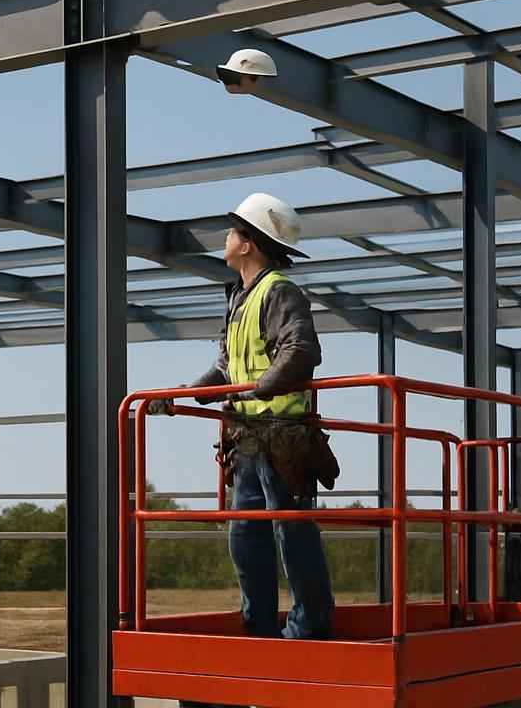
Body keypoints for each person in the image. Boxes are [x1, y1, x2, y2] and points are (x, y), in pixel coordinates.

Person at [153, 192, 336, 678]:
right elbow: (225, 365)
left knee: (290, 531)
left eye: (233, 231)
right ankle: (258, 627)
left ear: (250, 244)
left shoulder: (279, 291)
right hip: (249, 438)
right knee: (246, 536)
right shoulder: (240, 297)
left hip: (280, 434)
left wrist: (256, 391)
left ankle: (309, 627)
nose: (226, 239)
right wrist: (186, 393)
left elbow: (301, 350)